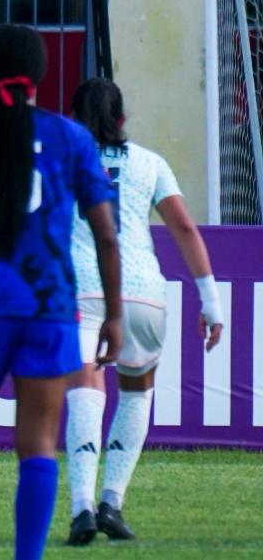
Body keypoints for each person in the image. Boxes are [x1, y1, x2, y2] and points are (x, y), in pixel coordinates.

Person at [0, 24, 121, 560]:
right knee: (36, 447)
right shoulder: (73, 139)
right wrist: (115, 315)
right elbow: (106, 233)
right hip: (49, 306)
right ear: (41, 73)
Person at [61, 78, 226, 545]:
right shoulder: (151, 163)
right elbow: (185, 229)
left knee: (85, 388)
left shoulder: (60, 160)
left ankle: (82, 508)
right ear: (122, 119)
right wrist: (210, 302)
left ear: (73, 117)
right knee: (136, 394)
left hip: (83, 290)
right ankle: (112, 501)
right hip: (144, 292)